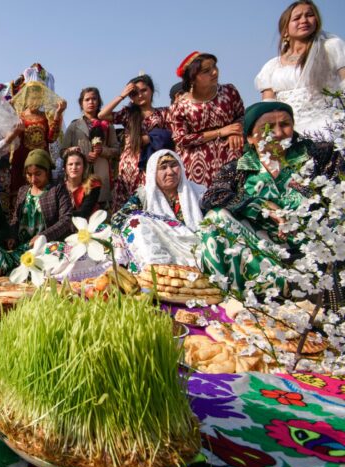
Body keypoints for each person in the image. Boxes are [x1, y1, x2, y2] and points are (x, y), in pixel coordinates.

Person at [199, 101, 343, 294]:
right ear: (250, 137)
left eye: (285, 124)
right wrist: (262, 207)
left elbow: (338, 193)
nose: (277, 133)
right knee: (215, 219)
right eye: (267, 127)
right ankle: (245, 293)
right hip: (264, 253)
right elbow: (212, 196)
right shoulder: (238, 169)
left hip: (316, 247)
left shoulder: (319, 156)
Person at [255, 0, 345, 139]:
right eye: (297, 18)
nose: (304, 20)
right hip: (290, 134)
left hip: (330, 128)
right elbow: (268, 108)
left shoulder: (331, 47)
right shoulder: (271, 67)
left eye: (309, 15)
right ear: (285, 30)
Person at [111, 150, 206, 273]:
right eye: (163, 168)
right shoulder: (144, 195)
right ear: (152, 173)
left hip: (195, 248)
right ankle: (155, 272)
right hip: (161, 249)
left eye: (174, 165)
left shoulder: (198, 193)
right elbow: (118, 218)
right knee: (135, 222)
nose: (170, 172)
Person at [169, 52, 245, 187]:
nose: (214, 72)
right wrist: (220, 132)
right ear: (192, 78)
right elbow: (180, 139)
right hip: (196, 167)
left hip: (232, 158)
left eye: (215, 66)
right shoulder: (180, 106)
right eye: (206, 71)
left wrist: (235, 130)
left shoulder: (229, 92)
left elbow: (242, 116)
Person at [98, 75, 172, 208]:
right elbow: (102, 115)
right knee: (127, 205)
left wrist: (150, 138)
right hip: (129, 165)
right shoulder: (128, 113)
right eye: (134, 93)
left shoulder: (164, 113)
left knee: (149, 202)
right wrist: (122, 95)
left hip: (152, 163)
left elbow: (171, 136)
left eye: (144, 90)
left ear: (152, 90)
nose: (140, 95)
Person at [8, 81, 66, 207]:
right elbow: (11, 140)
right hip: (22, 163)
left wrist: (58, 113)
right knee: (20, 198)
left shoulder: (46, 118)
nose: (34, 100)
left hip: (41, 163)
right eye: (32, 97)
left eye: (37, 97)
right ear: (26, 97)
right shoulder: (19, 118)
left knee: (43, 198)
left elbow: (51, 138)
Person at [8, 149, 74, 259]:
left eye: (38, 174)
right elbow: (16, 218)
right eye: (29, 175)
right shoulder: (23, 191)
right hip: (23, 246)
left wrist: (43, 236)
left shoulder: (57, 189)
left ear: (47, 172)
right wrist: (12, 236)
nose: (33, 179)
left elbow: (66, 220)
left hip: (48, 246)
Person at [60, 87, 119, 207]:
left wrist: (102, 151)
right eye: (87, 99)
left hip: (102, 174)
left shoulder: (108, 125)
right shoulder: (74, 126)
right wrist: (79, 156)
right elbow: (62, 152)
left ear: (99, 101)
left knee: (102, 212)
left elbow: (117, 150)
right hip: (79, 177)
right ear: (81, 103)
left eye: (94, 99)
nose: (91, 102)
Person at [63, 147, 102, 219]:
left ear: (84, 167)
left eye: (78, 164)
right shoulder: (59, 187)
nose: (74, 167)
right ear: (65, 168)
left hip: (89, 224)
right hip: (64, 225)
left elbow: (84, 212)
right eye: (70, 164)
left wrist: (63, 216)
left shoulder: (92, 185)